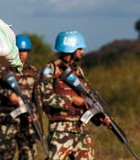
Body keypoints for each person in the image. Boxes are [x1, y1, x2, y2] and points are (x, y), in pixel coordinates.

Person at [40, 31, 109, 159]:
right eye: (80, 48)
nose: (82, 52)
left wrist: (99, 117)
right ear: (70, 48)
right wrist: (71, 99)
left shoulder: (78, 71)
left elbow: (87, 100)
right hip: (60, 130)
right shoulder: (50, 70)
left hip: (81, 130)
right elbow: (45, 98)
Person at [0, 34, 39, 160]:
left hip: (27, 122)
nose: (22, 54)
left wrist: (36, 113)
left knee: (28, 155)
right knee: (5, 155)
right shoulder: (2, 70)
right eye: (19, 51)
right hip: (8, 120)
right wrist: (8, 95)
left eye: (25, 51)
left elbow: (38, 97)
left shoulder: (34, 72)